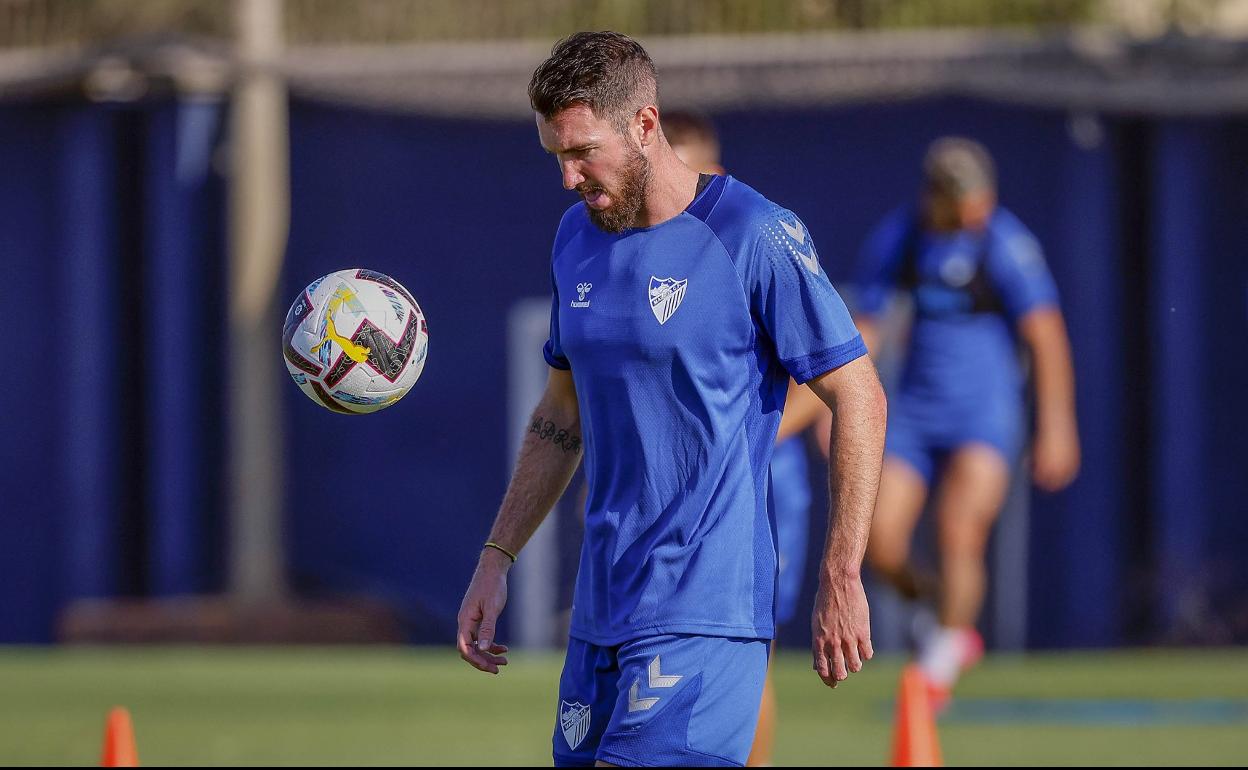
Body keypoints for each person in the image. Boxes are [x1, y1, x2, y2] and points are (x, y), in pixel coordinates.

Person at [456, 32, 887, 768]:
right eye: (556, 156)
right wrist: (497, 556)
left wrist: (841, 572)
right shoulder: (574, 238)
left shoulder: (755, 234)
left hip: (705, 609)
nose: (568, 177)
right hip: (601, 612)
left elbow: (860, 395)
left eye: (583, 151)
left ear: (645, 125)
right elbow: (561, 415)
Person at [855, 137, 1081, 710]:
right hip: (914, 416)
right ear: (937, 195)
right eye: (963, 196)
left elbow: (1045, 335)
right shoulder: (903, 236)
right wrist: (835, 406)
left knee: (960, 529)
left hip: (984, 416)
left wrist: (1057, 426)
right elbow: (866, 328)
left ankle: (941, 665)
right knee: (878, 543)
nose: (975, 206)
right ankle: (937, 614)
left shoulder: (1003, 243)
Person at [661, 108, 830, 768]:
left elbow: (836, 374)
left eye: (689, 167)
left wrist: (737, 447)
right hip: (668, 502)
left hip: (757, 493)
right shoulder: (629, 248)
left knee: (744, 652)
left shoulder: (757, 238)